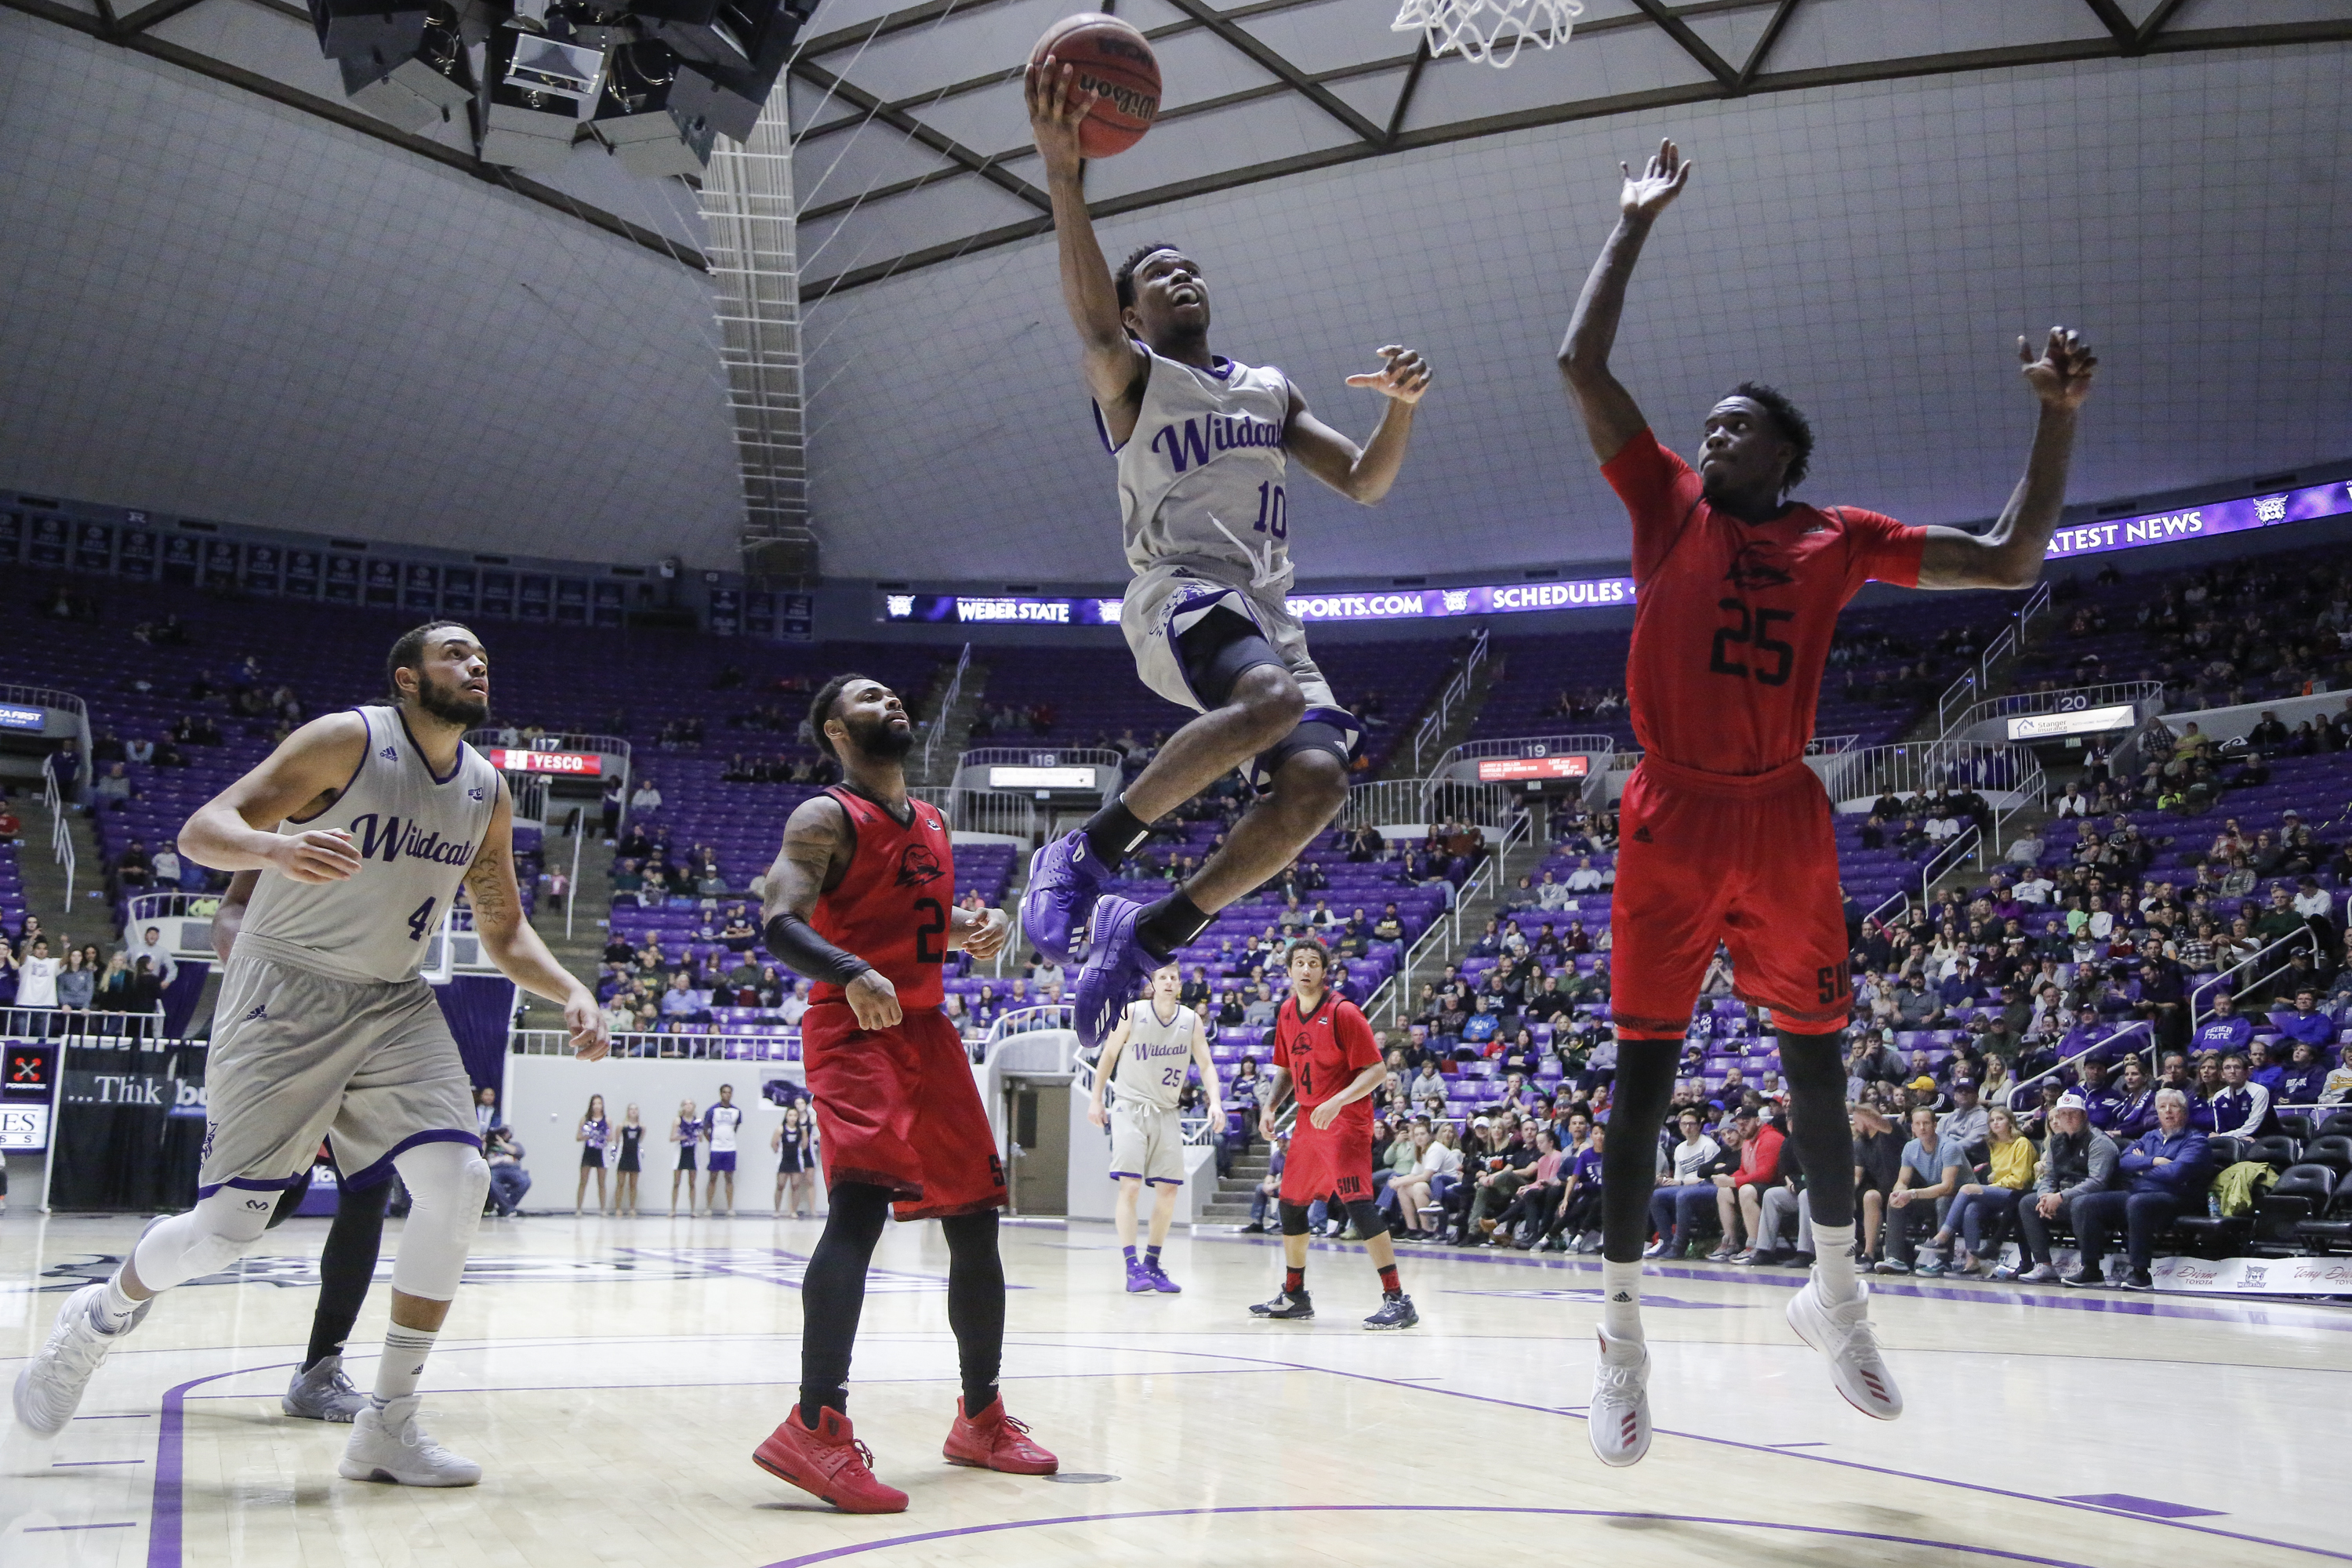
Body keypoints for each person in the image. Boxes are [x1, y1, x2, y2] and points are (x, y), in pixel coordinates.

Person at [1559, 137, 2095, 1461]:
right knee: (1643, 1077)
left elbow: (2016, 557)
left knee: (1817, 1068)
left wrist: (2058, 415)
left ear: (1784, 457)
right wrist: (1630, 226)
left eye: (1738, 426)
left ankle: (1839, 1293)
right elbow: (1582, 363)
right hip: (1674, 813)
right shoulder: (1667, 505)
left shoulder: (1836, 537)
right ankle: (1621, 1341)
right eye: (1711, 423)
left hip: (1783, 816)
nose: (1710, 433)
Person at [14, 621, 609, 1487]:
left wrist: (571, 989)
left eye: (482, 655)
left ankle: (389, 1422)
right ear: (408, 676)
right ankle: (97, 1317)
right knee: (224, 1232)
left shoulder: (485, 789)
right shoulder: (345, 739)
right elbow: (200, 829)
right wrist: (274, 846)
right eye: (455, 652)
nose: (475, 663)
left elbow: (505, 927)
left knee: (461, 1179)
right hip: (285, 990)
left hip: (394, 999)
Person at [1019, 60, 1434, 1053]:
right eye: (1158, 273)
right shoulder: (1130, 376)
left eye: (1189, 266)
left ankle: (1147, 934)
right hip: (1180, 588)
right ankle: (1087, 851)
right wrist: (1065, 176)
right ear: (1131, 313)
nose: (1183, 276)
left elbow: (1367, 483)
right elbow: (1083, 317)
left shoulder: (1269, 388)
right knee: (1275, 705)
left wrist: (1399, 412)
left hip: (1267, 610)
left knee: (1319, 785)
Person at [750, 674, 1051, 1514]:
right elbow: (780, 919)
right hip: (851, 1026)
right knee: (859, 1208)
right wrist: (849, 972)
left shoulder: (933, 821)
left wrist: (967, 930)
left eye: (894, 696)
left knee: (977, 1217)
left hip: (927, 1029)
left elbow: (907, 919)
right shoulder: (823, 817)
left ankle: (981, 1416)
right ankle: (814, 1423)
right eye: (870, 697)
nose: (892, 703)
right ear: (836, 729)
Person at [211, 869, 396, 1423]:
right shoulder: (299, 799)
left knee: (370, 1184)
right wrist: (261, 971)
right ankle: (160, 1256)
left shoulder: (431, 816)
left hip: (368, 1018)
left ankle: (320, 1367)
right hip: (285, 1020)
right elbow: (230, 911)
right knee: (265, 1206)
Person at [1247, 938, 1417, 1329]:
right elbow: (1288, 1069)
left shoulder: (1344, 1012)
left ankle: (1397, 1299)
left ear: (1325, 972)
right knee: (1290, 1203)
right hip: (1309, 1118)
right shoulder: (1287, 1011)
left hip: (1346, 1118)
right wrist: (1271, 1106)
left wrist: (1337, 1100)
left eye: (1313, 963)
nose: (1305, 970)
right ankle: (1294, 1295)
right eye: (1299, 963)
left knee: (1358, 1203)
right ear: (1288, 971)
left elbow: (1376, 1072)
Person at [1089, 960, 1224, 1294]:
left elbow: (1205, 1064)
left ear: (1180, 985)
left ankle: (1152, 1262)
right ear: (1152, 982)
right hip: (1130, 1108)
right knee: (1131, 1187)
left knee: (1169, 1191)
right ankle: (1131, 1265)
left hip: (1166, 1111)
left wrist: (1216, 1102)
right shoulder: (1133, 1012)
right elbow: (1108, 1055)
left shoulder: (1191, 1020)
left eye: (1173, 977)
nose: (1168, 982)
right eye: (1162, 976)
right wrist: (1096, 1100)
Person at [2067, 1088, 2210, 1290]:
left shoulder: (2196, 1141)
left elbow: (2175, 1174)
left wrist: (2142, 1169)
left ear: (2184, 1112)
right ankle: (2091, 1269)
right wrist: (2155, 1161)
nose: (2168, 1111)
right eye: (2162, 1107)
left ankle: (2141, 1273)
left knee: (2138, 1203)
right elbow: (2125, 1161)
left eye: (2174, 1106)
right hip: (2139, 1193)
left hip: (2177, 1198)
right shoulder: (2150, 1136)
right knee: (2085, 1202)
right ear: (2157, 1113)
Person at [1997, 1092, 2117, 1283]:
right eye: (2063, 1114)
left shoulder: (2099, 1142)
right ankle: (2043, 1265)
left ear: (2084, 1116)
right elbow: (2050, 1176)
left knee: (2080, 1204)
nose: (2067, 1118)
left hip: (2099, 1199)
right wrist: (2045, 1196)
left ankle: (2092, 1269)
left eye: (2073, 1113)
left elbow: (2097, 1182)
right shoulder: (2057, 1141)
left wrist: (2060, 1197)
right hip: (2067, 1197)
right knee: (2028, 1202)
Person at [1918, 1106, 2033, 1276]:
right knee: (1971, 1209)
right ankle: (1972, 1262)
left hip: (2017, 1195)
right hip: (1999, 1193)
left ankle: (1942, 1236)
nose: (1995, 1123)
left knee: (1967, 1189)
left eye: (2000, 1119)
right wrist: (1994, 1179)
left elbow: (2020, 1179)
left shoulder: (2022, 1143)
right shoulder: (1994, 1145)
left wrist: (1992, 1185)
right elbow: (2000, 1172)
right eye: (1992, 1120)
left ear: (2010, 1122)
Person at [704, 1083, 746, 1217]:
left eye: (729, 1092)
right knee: (713, 1177)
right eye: (724, 1092)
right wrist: (713, 1141)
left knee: (729, 1177)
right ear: (720, 1094)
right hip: (716, 1148)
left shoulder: (736, 1111)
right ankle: (708, 1207)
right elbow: (706, 1128)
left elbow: (735, 1128)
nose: (727, 1095)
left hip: (730, 1148)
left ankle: (730, 1207)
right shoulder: (712, 1110)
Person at [772, 1102, 817, 1218]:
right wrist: (778, 1150)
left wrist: (806, 1136)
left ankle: (794, 1211)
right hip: (783, 1160)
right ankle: (777, 1210)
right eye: (790, 1115)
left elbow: (804, 1145)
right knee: (780, 1185)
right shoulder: (781, 1129)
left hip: (796, 1161)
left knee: (795, 1185)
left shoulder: (801, 1130)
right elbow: (774, 1143)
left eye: (795, 1115)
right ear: (786, 1116)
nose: (792, 1118)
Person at [575, 1094, 612, 1215]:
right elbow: (578, 1137)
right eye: (595, 1104)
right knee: (583, 1181)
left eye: (599, 1103)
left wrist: (602, 1136)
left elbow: (611, 1137)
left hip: (601, 1153)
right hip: (588, 1152)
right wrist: (588, 1135)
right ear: (591, 1105)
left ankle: (603, 1209)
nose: (597, 1106)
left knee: (601, 1183)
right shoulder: (585, 1119)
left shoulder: (607, 1120)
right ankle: (579, 1209)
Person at [485, 1124, 531, 1217]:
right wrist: (485, 1142)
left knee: (525, 1181)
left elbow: (518, 1152)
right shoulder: (488, 1146)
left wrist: (502, 1143)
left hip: (512, 1169)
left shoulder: (514, 1144)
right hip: (494, 1170)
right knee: (492, 1182)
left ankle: (506, 1208)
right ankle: (508, 1209)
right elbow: (480, 1156)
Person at [670, 1098, 702, 1216]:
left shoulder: (697, 1121)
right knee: (676, 1182)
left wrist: (697, 1133)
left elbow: (700, 1138)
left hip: (693, 1153)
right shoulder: (678, 1121)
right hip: (681, 1152)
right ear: (682, 1107)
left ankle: (693, 1210)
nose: (688, 1106)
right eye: (686, 1104)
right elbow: (672, 1138)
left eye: (690, 1104)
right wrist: (684, 1136)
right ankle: (673, 1209)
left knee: (692, 1183)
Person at [613, 1103, 644, 1217]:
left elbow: (640, 1140)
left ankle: (632, 1207)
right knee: (620, 1183)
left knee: (633, 1184)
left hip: (634, 1156)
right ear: (627, 1111)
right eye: (631, 1109)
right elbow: (617, 1141)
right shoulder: (621, 1126)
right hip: (624, 1156)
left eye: (636, 1109)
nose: (633, 1111)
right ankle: (618, 1208)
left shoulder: (642, 1127)